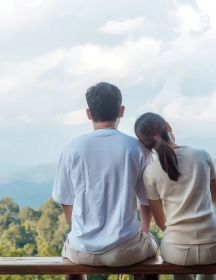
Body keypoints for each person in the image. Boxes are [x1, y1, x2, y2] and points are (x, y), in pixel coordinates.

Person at [52, 83, 157, 280]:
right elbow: (147, 200)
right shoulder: (138, 149)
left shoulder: (71, 149)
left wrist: (80, 230)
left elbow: (65, 199)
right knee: (152, 250)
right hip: (126, 248)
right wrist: (145, 231)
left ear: (88, 113)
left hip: (82, 248)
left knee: (70, 256)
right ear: (121, 111)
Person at [134, 112, 216, 280]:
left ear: (145, 143)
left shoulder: (150, 172)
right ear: (168, 126)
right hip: (214, 245)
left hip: (177, 248)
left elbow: (161, 222)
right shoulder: (202, 155)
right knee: (210, 263)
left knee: (178, 266)